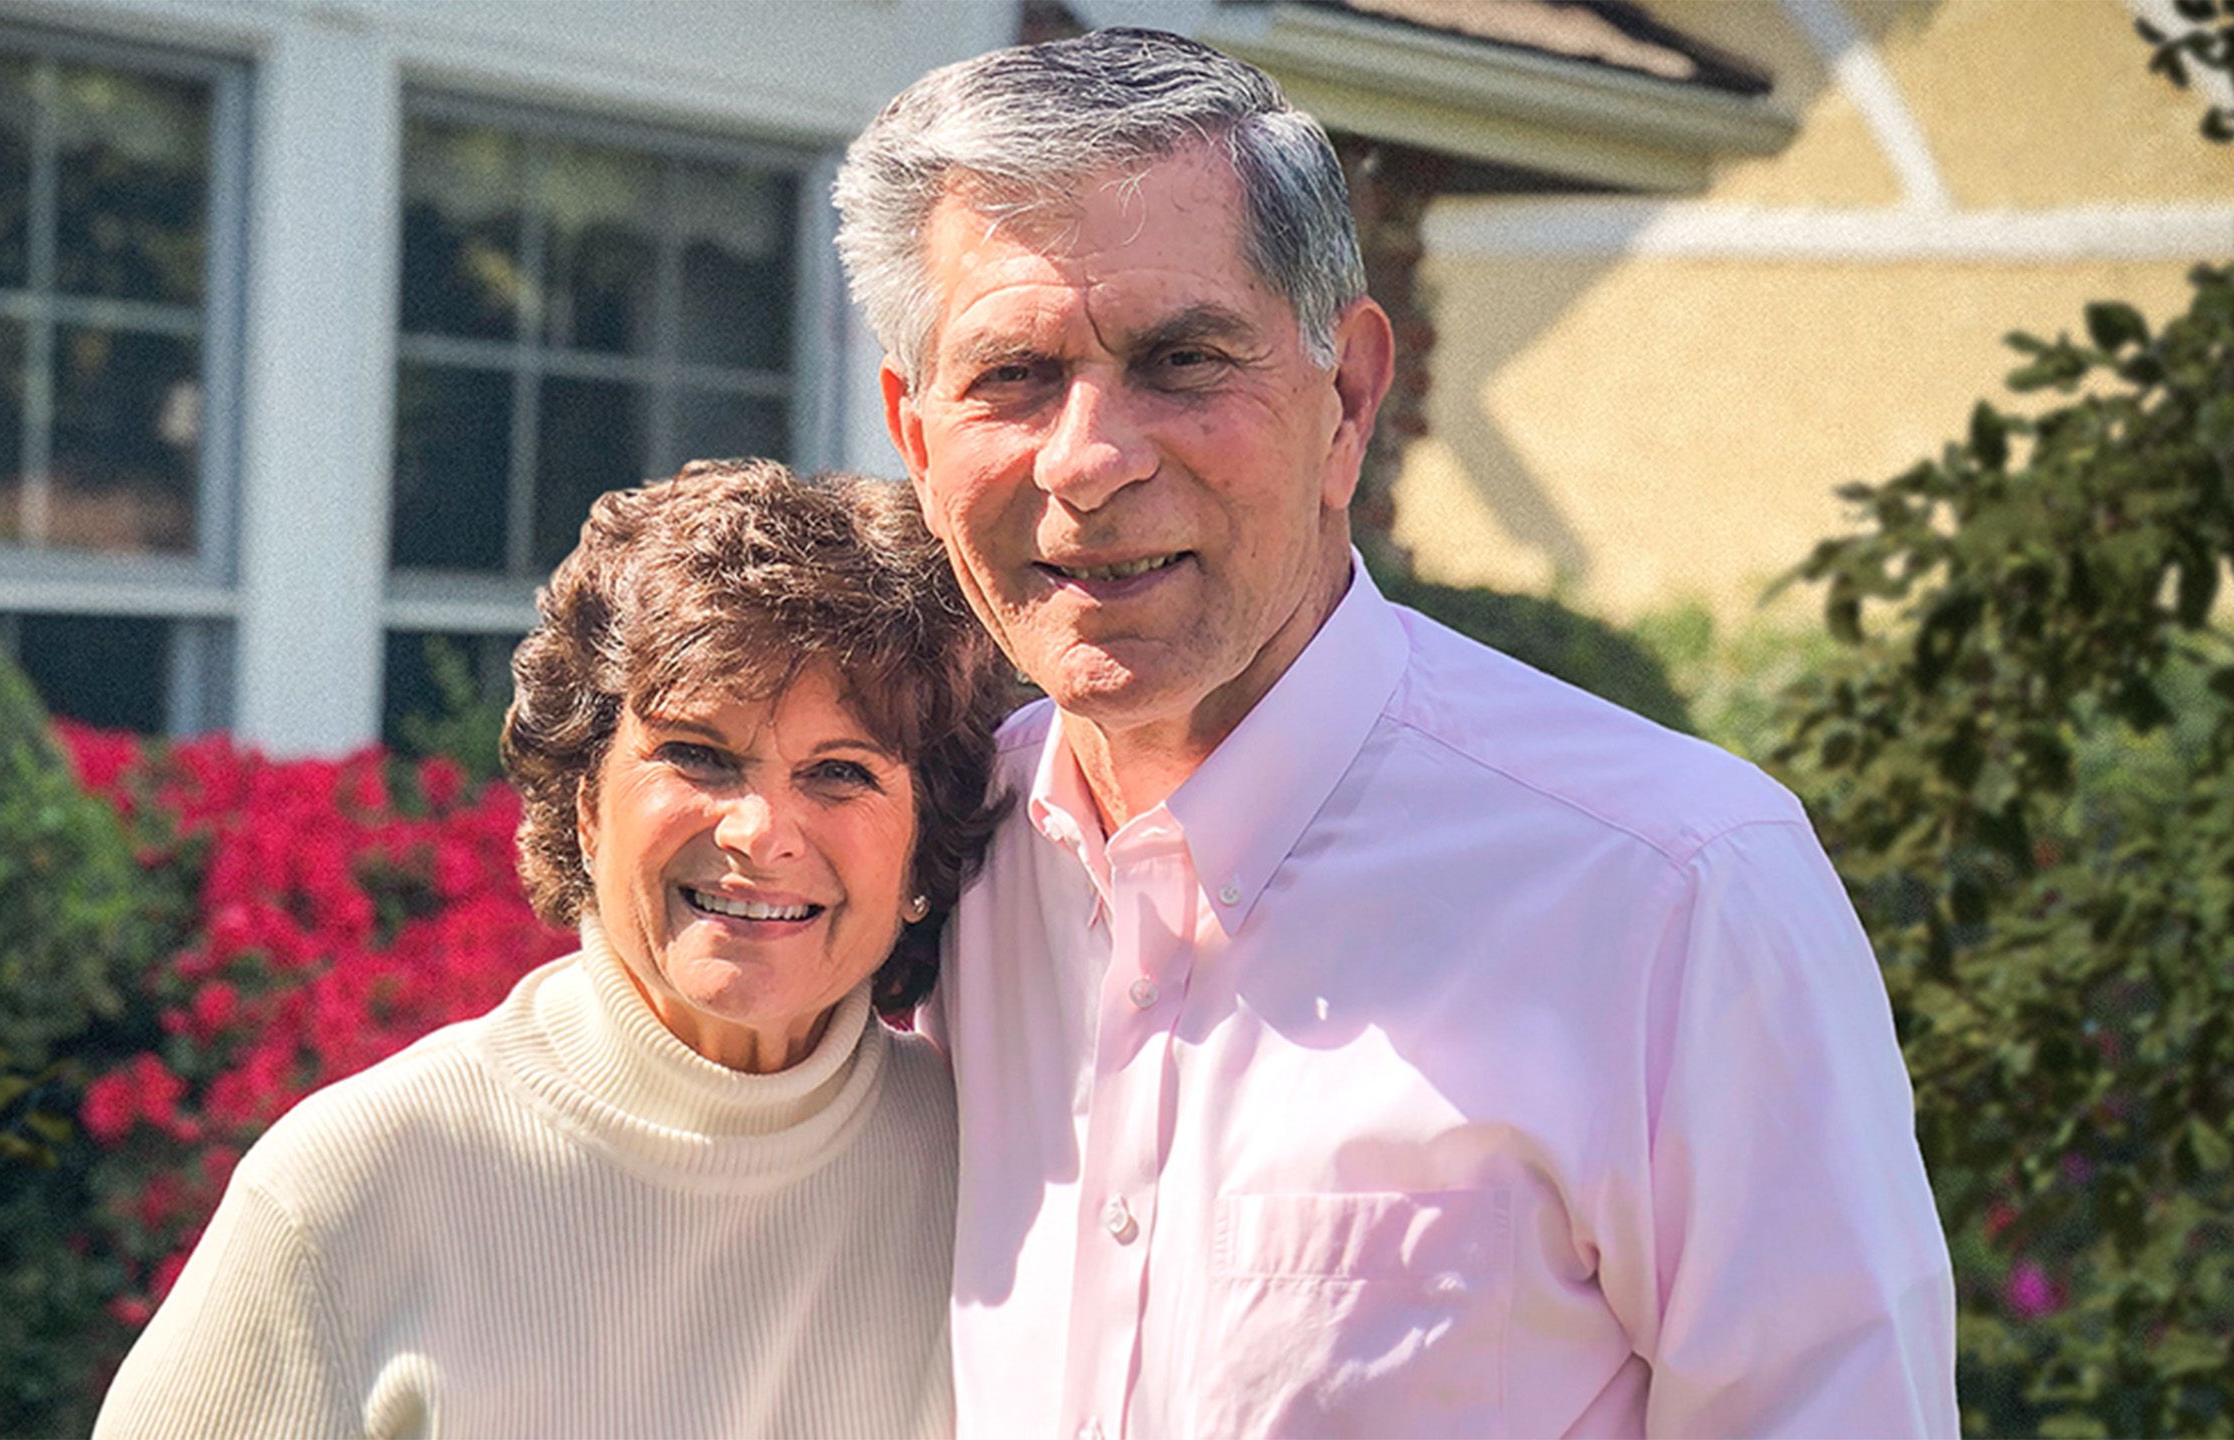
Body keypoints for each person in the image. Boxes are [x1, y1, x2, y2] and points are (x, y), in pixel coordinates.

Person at [834, 27, 1957, 1439]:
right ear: (917, 438)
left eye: (1184, 359)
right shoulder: (925, 870)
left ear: (1350, 399)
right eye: (1013, 375)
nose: (1090, 458)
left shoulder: (1676, 893)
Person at [92, 459, 1012, 1438]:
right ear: (584, 801)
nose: (759, 829)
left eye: (840, 773)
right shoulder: (359, 1183)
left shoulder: (994, 1172)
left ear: (924, 837)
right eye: (697, 753)